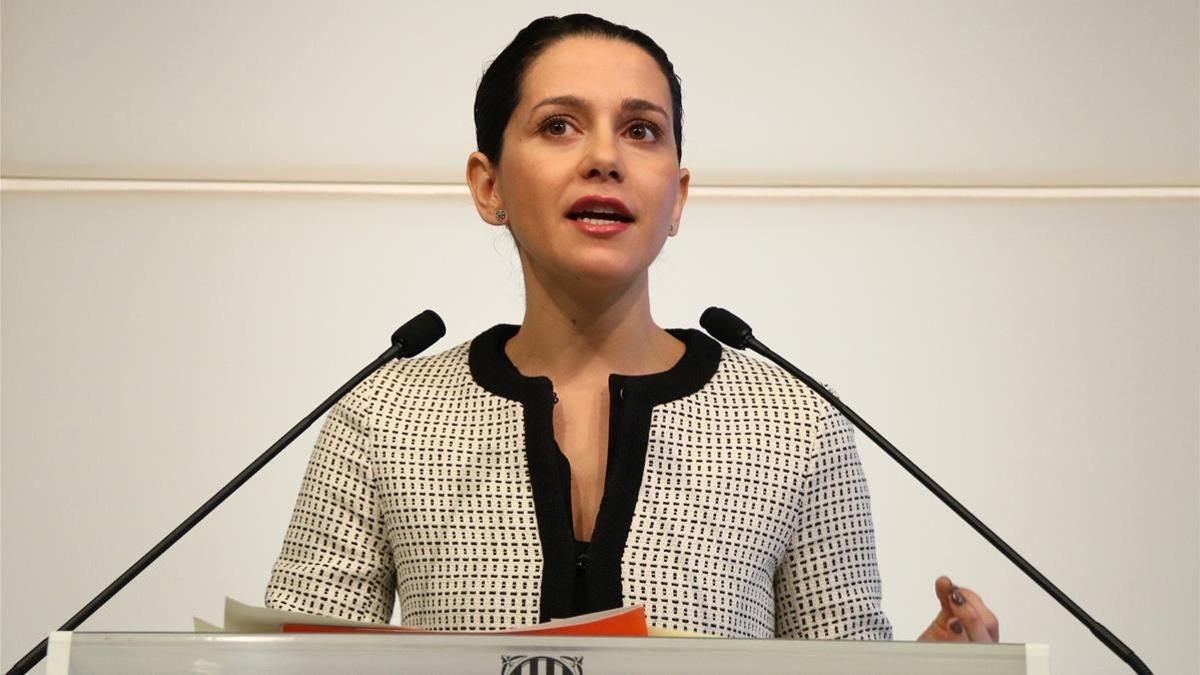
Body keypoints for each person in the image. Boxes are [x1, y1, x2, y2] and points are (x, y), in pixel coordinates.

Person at [265, 13, 998, 642]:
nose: (605, 158)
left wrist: (931, 665)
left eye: (641, 130)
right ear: (489, 186)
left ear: (675, 197)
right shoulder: (383, 415)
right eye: (559, 125)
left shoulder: (797, 423)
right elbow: (288, 660)